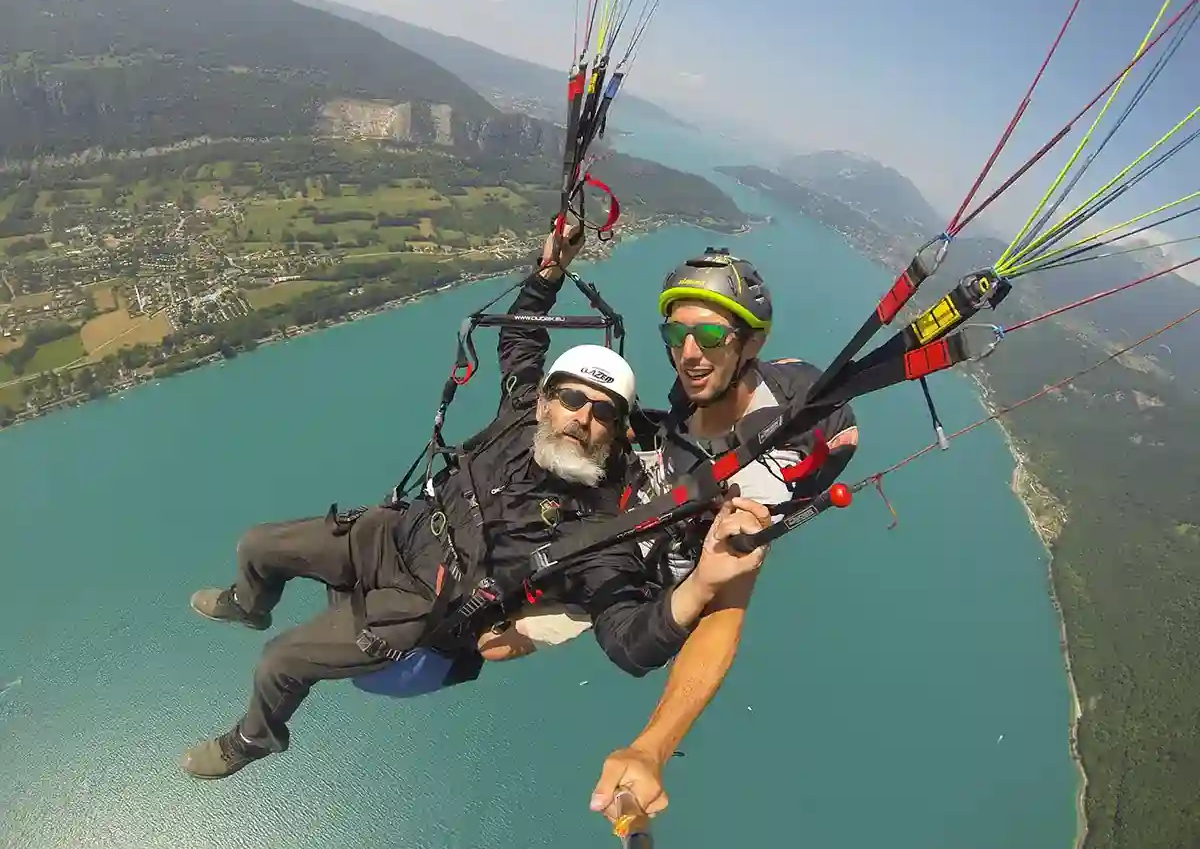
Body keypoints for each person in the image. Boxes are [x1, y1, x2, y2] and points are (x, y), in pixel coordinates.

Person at [179, 228, 768, 780]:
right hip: (392, 533)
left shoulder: (598, 530)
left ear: (615, 432)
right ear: (543, 404)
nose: (582, 419)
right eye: (570, 400)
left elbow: (630, 641)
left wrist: (696, 590)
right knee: (256, 545)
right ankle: (250, 602)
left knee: (279, 662)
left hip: (418, 604)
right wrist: (549, 271)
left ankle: (254, 738)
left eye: (603, 412)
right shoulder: (519, 418)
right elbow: (520, 337)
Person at [587, 247, 861, 820]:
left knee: (604, 644)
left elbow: (724, 614)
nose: (688, 354)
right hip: (689, 460)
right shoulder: (707, 391)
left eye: (710, 336)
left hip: (680, 548)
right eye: (675, 333)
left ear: (751, 343)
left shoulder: (753, 488)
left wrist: (652, 746)